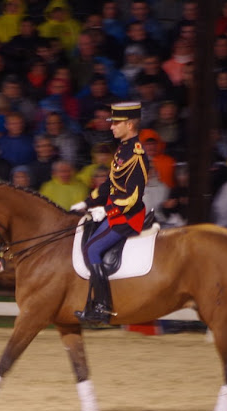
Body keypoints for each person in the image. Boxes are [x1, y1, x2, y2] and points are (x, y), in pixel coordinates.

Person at [70, 102, 148, 325]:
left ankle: (103, 307)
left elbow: (133, 196)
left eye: (116, 123)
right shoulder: (122, 150)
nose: (112, 127)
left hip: (127, 217)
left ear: (130, 124)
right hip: (114, 214)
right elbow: (109, 185)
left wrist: (106, 210)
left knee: (92, 249)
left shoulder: (136, 155)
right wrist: (87, 202)